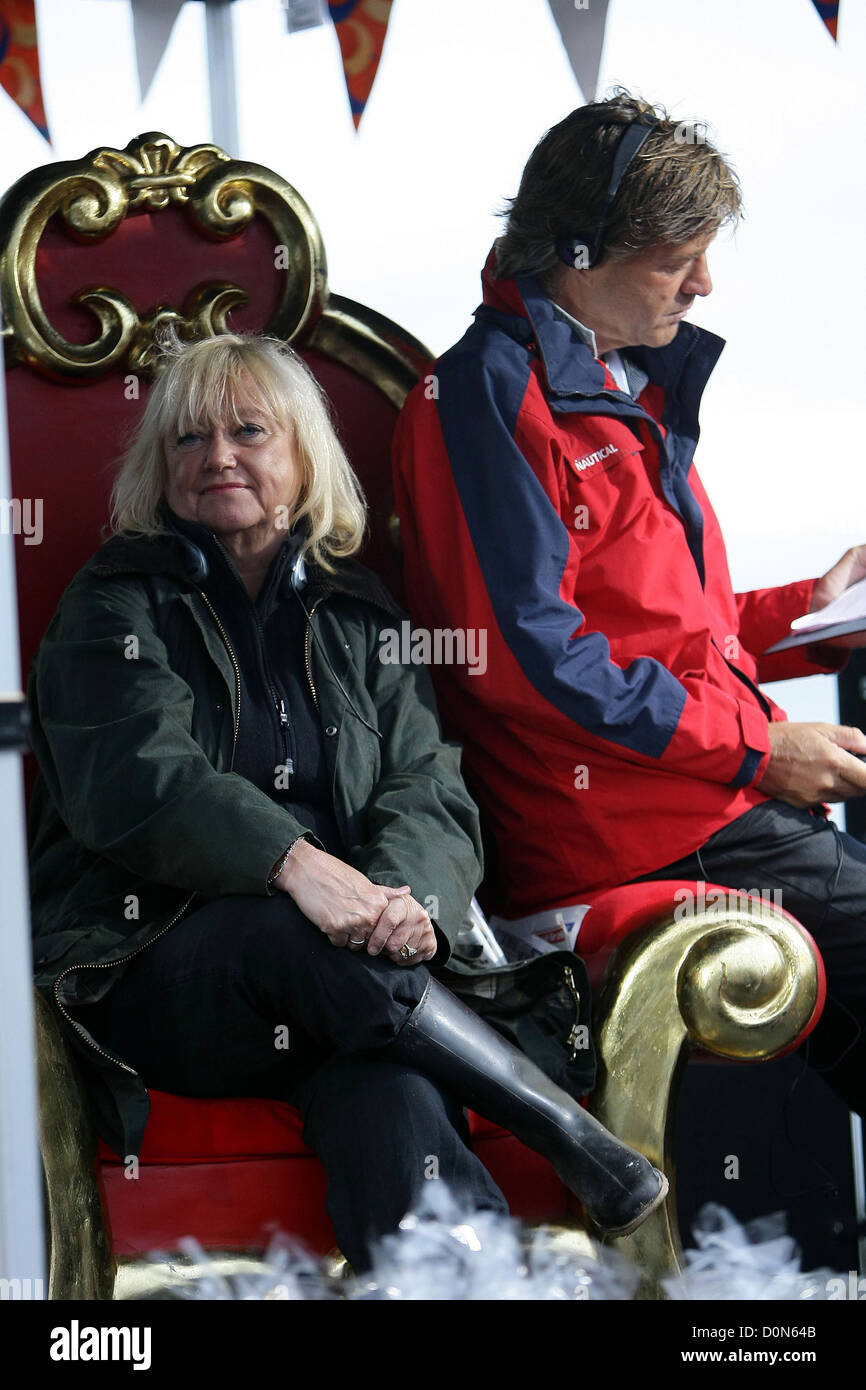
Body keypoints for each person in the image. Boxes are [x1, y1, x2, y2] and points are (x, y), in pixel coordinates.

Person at [27, 332, 667, 1274]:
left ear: (303, 457)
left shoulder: (362, 614)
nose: (217, 458)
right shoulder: (112, 606)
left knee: (393, 1096)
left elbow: (429, 785)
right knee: (299, 938)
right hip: (160, 966)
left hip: (354, 976)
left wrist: (406, 903)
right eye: (188, 441)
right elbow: (140, 775)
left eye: (248, 431)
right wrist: (298, 867)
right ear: (160, 469)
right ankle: (567, 1129)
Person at [392, 92, 866, 1119]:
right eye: (672, 257)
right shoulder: (488, 391)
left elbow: (655, 625)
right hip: (616, 821)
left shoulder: (612, 383)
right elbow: (525, 656)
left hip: (686, 795)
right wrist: (755, 750)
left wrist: (810, 608)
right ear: (574, 248)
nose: (702, 284)